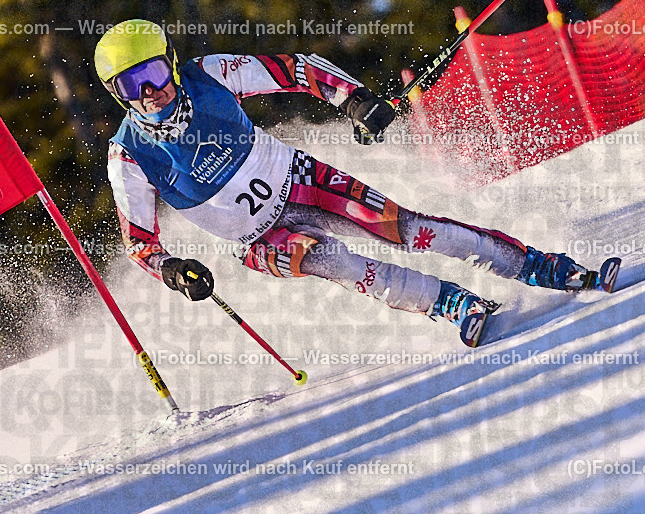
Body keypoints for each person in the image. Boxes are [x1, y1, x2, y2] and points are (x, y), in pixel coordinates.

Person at [95, 19, 594, 347]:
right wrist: (175, 271)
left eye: (154, 73)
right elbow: (140, 245)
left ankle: (539, 266)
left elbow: (296, 70)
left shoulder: (210, 75)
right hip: (256, 240)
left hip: (300, 180)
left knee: (410, 229)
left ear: (172, 62)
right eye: (129, 86)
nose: (149, 93)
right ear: (117, 95)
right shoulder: (129, 156)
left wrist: (353, 100)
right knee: (346, 264)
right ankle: (449, 303)